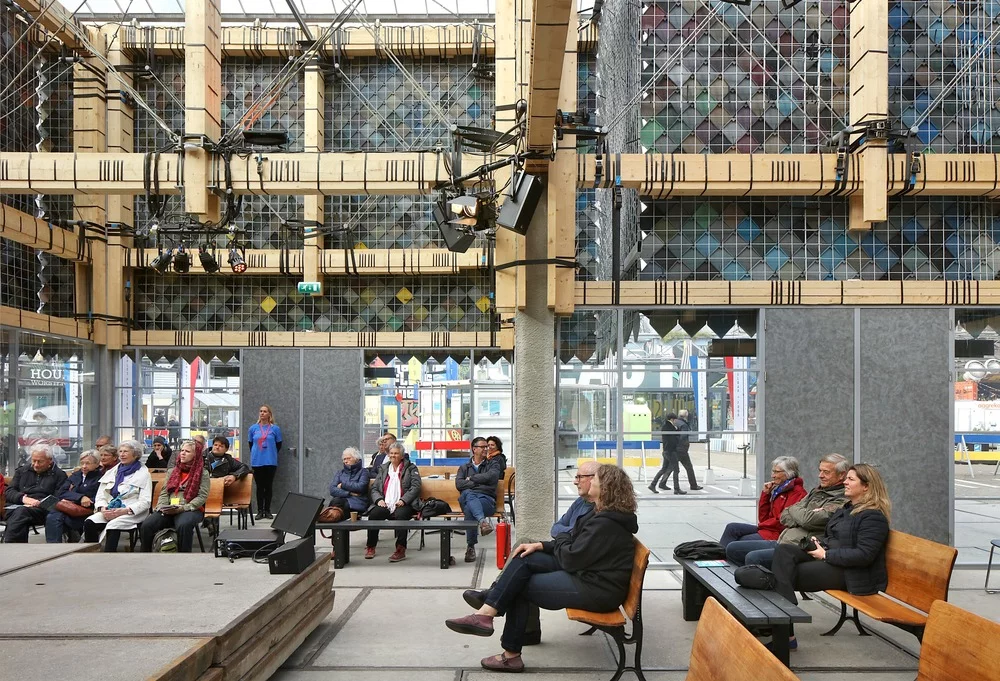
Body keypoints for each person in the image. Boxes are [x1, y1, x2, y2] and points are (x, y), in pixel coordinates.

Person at [445, 464, 639, 673]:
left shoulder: (606, 522)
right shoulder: (601, 514)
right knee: (525, 555)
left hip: (598, 589)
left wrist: (563, 536)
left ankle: (506, 648)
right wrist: (542, 545)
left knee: (520, 586)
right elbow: (575, 546)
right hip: (588, 572)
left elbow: (572, 554)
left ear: (606, 487)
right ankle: (487, 613)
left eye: (595, 479)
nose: (587, 481)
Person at [770, 463, 891, 653]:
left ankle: (784, 629)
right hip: (833, 560)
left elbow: (864, 555)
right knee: (784, 551)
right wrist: (820, 544)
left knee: (778, 576)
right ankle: (786, 621)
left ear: (866, 486)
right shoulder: (847, 509)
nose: (845, 482)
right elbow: (835, 537)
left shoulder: (873, 517)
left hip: (851, 573)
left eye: (851, 479)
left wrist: (826, 554)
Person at [726, 452, 849, 567]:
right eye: (820, 471)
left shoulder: (839, 498)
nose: (820, 475)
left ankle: (765, 585)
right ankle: (725, 573)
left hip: (797, 545)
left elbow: (807, 521)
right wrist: (766, 495)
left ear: (841, 475)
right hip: (782, 539)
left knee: (753, 557)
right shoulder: (815, 491)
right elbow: (784, 515)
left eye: (826, 472)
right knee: (732, 547)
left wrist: (798, 514)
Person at [140, 440, 210, 553]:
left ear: (195, 455)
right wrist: (162, 506)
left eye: (187, 451)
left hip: (190, 509)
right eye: (182, 450)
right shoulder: (173, 471)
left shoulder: (203, 473)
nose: (182, 453)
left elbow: (202, 496)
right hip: (169, 508)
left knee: (184, 525)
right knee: (147, 525)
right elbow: (164, 492)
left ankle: (183, 556)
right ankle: (146, 555)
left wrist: (183, 508)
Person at [720, 456, 806, 547]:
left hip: (777, 534)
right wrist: (766, 494)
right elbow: (763, 518)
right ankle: (716, 556)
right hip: (767, 529)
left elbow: (783, 522)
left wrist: (763, 525)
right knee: (732, 528)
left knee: (739, 542)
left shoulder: (797, 493)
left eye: (776, 472)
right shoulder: (780, 489)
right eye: (773, 471)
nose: (773, 475)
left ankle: (720, 558)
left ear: (789, 473)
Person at [83, 440, 153, 552]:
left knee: (113, 525)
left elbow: (145, 501)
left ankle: (110, 555)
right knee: (90, 522)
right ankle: (92, 552)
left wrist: (124, 511)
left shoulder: (144, 474)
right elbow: (101, 495)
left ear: (135, 455)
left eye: (126, 451)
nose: (122, 454)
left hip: (131, 511)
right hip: (110, 508)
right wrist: (102, 508)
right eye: (120, 451)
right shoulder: (112, 472)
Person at [366, 442, 421, 562]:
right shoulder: (383, 468)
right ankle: (371, 546)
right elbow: (374, 488)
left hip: (404, 503)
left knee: (401, 516)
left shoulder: (411, 468)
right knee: (374, 515)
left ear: (402, 455)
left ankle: (400, 549)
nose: (393, 456)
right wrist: (379, 500)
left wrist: (403, 500)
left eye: (396, 453)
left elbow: (415, 487)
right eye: (391, 453)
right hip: (385, 503)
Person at [2, 444, 68, 543]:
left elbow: (59, 496)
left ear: (50, 460)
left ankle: (12, 546)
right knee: (19, 513)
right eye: (33, 460)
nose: (36, 464)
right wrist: (23, 499)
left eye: (40, 461)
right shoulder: (22, 471)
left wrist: (38, 503)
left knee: (20, 513)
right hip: (18, 506)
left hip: (43, 510)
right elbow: (9, 491)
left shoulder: (59, 475)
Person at [457, 437, 501, 563]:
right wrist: (480, 484)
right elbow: (459, 484)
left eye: (486, 447)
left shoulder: (493, 464)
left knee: (469, 507)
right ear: (474, 449)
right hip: (469, 499)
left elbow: (492, 477)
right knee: (470, 495)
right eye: (483, 447)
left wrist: (472, 479)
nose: (486, 449)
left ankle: (470, 547)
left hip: (486, 501)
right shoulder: (464, 467)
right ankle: (483, 522)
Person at [45, 451, 102, 543]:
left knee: (55, 516)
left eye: (88, 463)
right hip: (67, 508)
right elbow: (61, 492)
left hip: (85, 511)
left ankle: (54, 546)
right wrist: (80, 497)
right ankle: (56, 543)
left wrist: (77, 500)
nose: (84, 466)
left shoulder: (100, 478)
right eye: (82, 463)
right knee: (52, 513)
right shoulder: (75, 476)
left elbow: (100, 497)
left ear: (97, 464)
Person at [248, 404, 282, 520]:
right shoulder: (253, 428)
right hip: (257, 461)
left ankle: (267, 510)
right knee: (259, 486)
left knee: (268, 486)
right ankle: (259, 511)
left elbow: (278, 444)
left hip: (270, 461)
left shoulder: (275, 429)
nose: (262, 413)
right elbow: (250, 444)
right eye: (261, 411)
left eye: (265, 411)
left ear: (269, 414)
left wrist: (270, 453)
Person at [326, 447, 371, 521]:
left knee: (336, 505)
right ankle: (337, 527)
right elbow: (332, 490)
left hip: (357, 503)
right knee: (337, 503)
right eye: (344, 459)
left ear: (356, 459)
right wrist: (349, 493)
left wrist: (343, 485)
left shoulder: (364, 472)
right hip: (341, 503)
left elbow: (361, 487)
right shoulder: (340, 473)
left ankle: (335, 525)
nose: (346, 461)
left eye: (348, 458)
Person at [666, 410, 702, 494]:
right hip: (682, 450)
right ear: (686, 415)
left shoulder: (676, 423)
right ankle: (693, 485)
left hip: (674, 449)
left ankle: (660, 483)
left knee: (670, 467)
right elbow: (682, 437)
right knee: (688, 467)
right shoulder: (684, 425)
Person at [648, 412, 678, 493]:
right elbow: (673, 439)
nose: (676, 421)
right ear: (672, 419)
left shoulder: (666, 426)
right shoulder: (669, 427)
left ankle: (653, 484)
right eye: (675, 420)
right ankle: (676, 488)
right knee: (676, 469)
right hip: (670, 451)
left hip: (666, 450)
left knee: (664, 469)